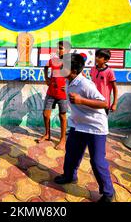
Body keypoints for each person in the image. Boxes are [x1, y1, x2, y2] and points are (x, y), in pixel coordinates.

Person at [54, 53, 115, 203]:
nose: (61, 68)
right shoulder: (70, 80)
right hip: (78, 124)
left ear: (73, 70)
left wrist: (81, 100)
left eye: (64, 67)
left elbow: (104, 103)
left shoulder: (85, 84)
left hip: (95, 126)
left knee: (97, 161)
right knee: (72, 152)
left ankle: (108, 193)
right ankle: (69, 176)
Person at [37, 40, 71, 150]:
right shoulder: (53, 60)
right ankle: (47, 134)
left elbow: (79, 75)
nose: (58, 50)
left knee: (62, 116)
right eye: (58, 48)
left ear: (67, 50)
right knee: (46, 114)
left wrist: (68, 87)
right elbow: (45, 67)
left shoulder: (70, 62)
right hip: (51, 92)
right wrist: (47, 79)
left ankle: (62, 139)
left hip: (62, 94)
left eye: (61, 48)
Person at [91, 49, 118, 114]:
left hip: (103, 103)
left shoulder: (109, 72)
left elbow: (115, 88)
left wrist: (114, 104)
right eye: (96, 56)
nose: (97, 58)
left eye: (99, 57)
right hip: (93, 101)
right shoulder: (93, 69)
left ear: (106, 60)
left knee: (102, 123)